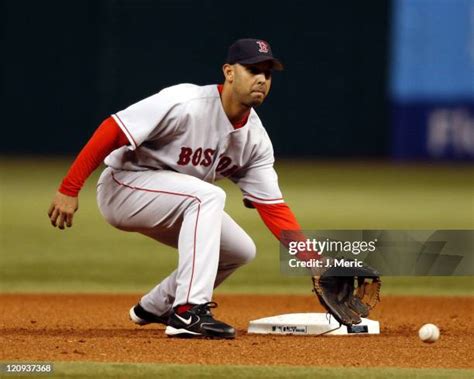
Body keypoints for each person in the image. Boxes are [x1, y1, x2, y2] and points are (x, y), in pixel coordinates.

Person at [48, 38, 304, 339]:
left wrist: (315, 262)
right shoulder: (186, 102)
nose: (261, 79)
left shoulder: (255, 140)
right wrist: (69, 188)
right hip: (123, 186)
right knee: (207, 195)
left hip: (175, 199)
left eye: (268, 73)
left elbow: (274, 208)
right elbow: (113, 129)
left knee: (240, 250)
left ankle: (157, 306)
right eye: (252, 69)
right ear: (229, 72)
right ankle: (188, 312)